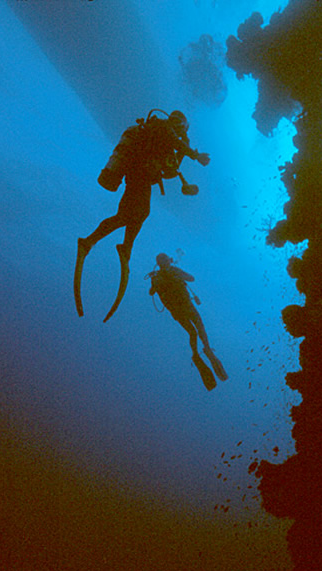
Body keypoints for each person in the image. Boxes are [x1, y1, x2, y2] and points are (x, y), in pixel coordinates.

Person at [73, 109, 210, 322]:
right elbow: (175, 143)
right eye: (182, 127)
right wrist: (195, 155)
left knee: (131, 215)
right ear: (179, 124)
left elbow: (170, 171)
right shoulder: (164, 128)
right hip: (139, 173)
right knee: (133, 215)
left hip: (141, 174)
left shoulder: (163, 134)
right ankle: (94, 243)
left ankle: (118, 247)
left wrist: (183, 153)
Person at [148, 253, 228, 391]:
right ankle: (200, 351)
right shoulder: (159, 275)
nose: (167, 262)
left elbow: (191, 278)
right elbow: (152, 291)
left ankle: (203, 350)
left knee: (197, 329)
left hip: (183, 306)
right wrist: (159, 281)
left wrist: (176, 276)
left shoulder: (171, 271)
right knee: (194, 331)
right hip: (179, 308)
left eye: (167, 260)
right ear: (161, 263)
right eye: (165, 260)